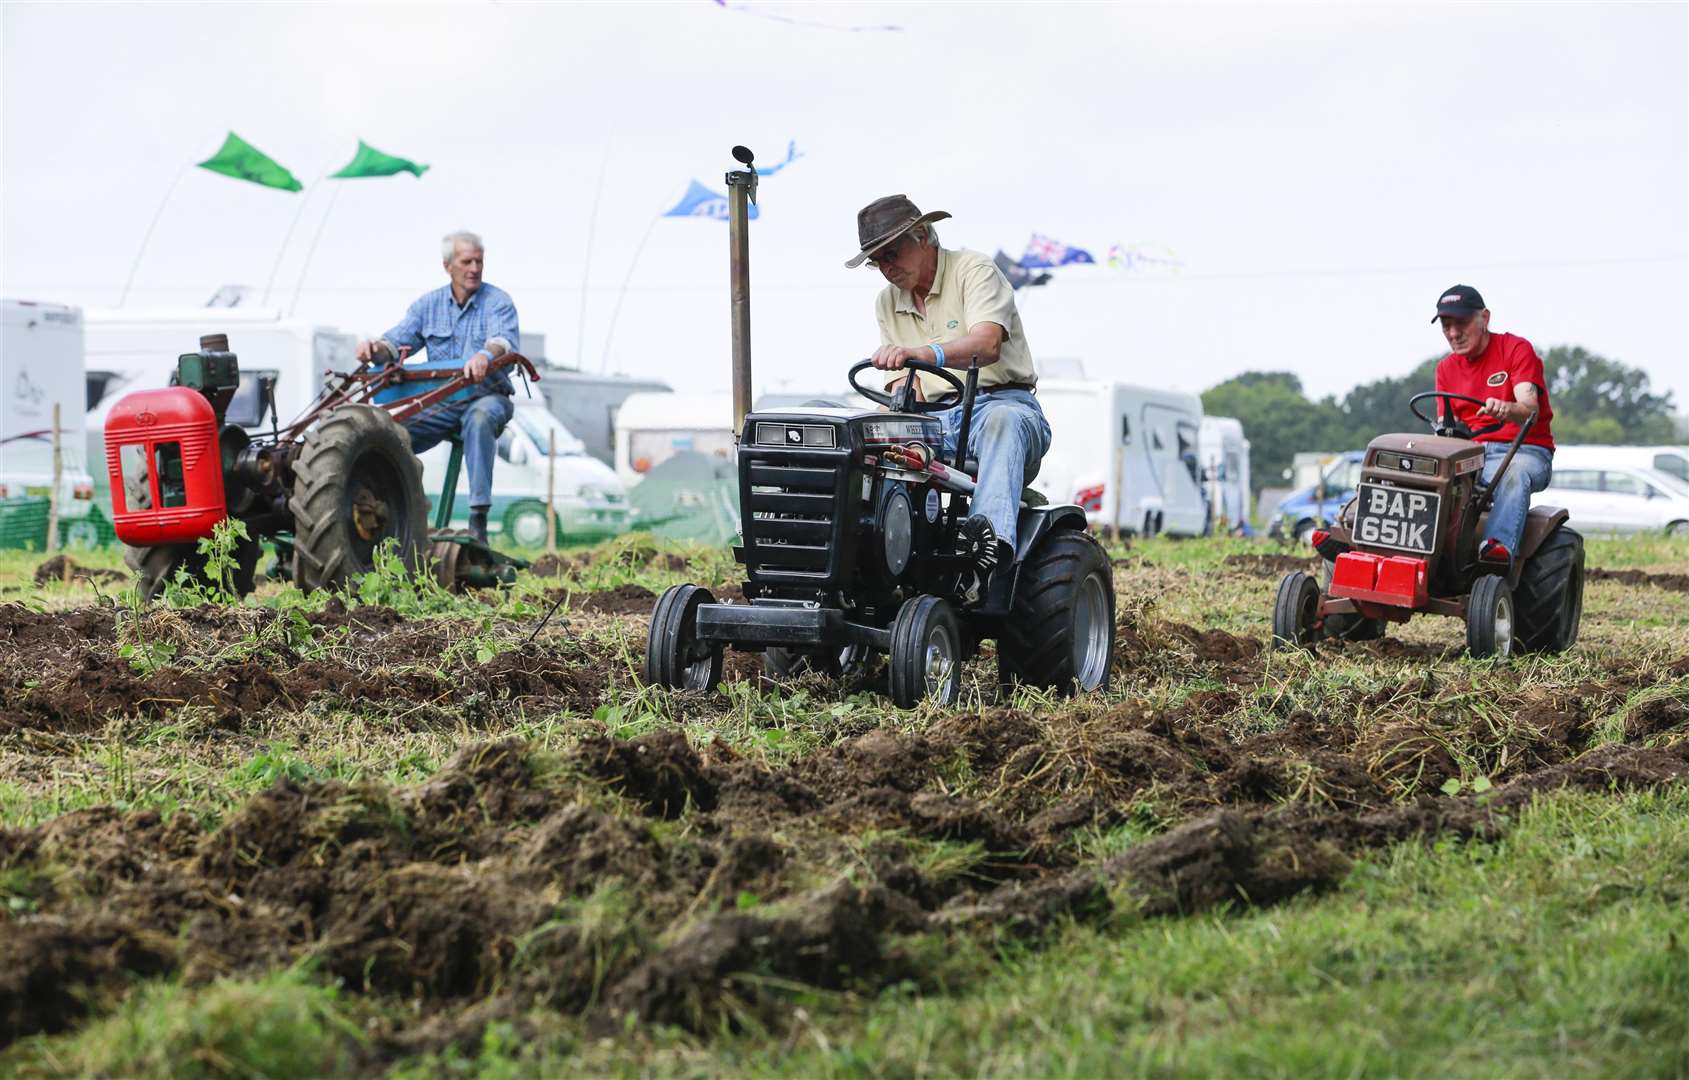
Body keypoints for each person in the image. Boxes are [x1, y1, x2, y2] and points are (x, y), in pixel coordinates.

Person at [848, 194, 1051, 599]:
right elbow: (905, 383)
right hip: (934, 417)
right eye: (877, 259)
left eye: (892, 252)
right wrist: (900, 390)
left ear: (923, 236)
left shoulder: (974, 270)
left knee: (1003, 424)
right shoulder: (887, 301)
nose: (887, 267)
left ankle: (983, 559)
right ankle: (865, 556)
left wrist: (928, 353)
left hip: (1000, 404)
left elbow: (987, 344)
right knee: (856, 434)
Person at [356, 230, 519, 544]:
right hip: (443, 403)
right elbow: (394, 344)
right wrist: (372, 350)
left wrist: (486, 356)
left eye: (479, 261)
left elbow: (503, 341)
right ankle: (396, 510)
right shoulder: (427, 306)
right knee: (391, 433)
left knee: (480, 419)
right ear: (448, 266)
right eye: (466, 261)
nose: (474, 268)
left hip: (487, 396)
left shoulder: (498, 303)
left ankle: (478, 521)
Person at [1430, 284, 1555, 565]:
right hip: (1472, 456)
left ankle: (1495, 549)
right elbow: (1447, 427)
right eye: (1446, 326)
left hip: (1524, 450)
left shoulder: (1514, 349)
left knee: (1514, 473)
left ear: (1484, 318)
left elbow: (1529, 409)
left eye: (1460, 323)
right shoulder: (1445, 369)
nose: (1453, 334)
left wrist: (1507, 409)